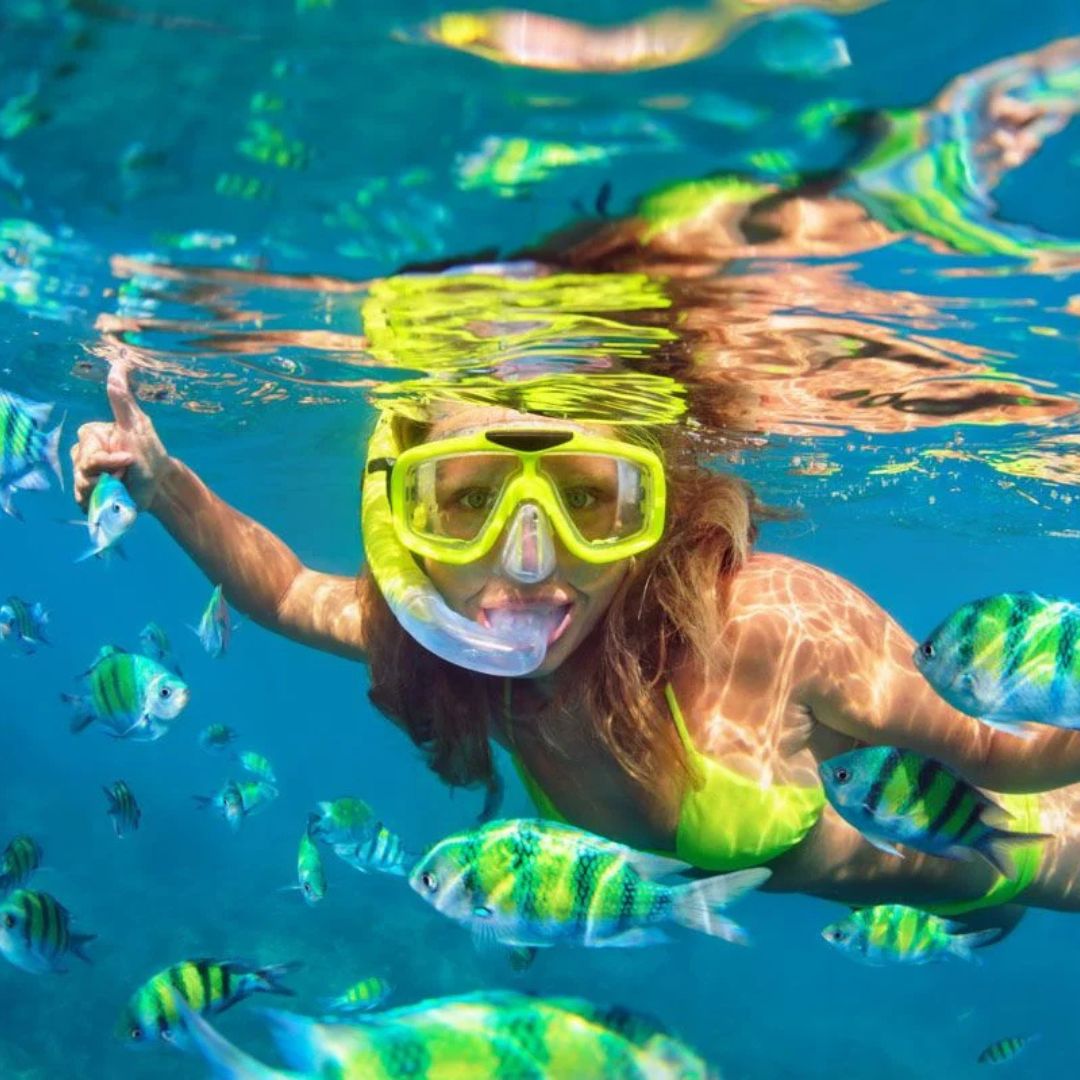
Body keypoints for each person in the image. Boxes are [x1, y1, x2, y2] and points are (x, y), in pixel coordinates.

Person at [71, 362, 1080, 930]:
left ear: (655, 508)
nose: (526, 563)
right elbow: (289, 591)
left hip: (1025, 849)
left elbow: (999, 752)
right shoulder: (441, 646)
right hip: (918, 896)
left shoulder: (769, 628)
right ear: (401, 516)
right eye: (467, 499)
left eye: (589, 501)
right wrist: (164, 486)